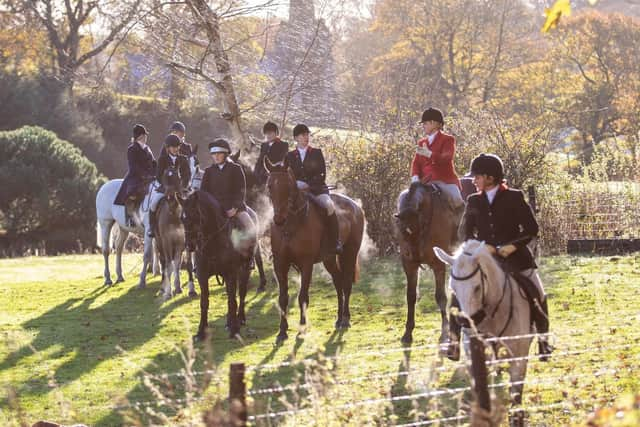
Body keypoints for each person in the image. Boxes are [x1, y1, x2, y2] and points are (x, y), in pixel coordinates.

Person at [446, 153, 553, 362]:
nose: (474, 180)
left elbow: (532, 229)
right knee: (458, 291)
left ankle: (543, 341)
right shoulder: (474, 200)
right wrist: (484, 247)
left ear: (490, 177)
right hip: (485, 258)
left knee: (537, 291)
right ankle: (453, 343)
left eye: (477, 176)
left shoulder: (514, 196)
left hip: (516, 257)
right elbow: (464, 234)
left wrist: (511, 246)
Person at [285, 124, 342, 254]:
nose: (306, 137)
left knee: (329, 206)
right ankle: (281, 242)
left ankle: (335, 241)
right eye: (303, 135)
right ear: (296, 138)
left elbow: (322, 174)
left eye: (307, 135)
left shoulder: (316, 152)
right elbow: (287, 175)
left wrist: (308, 185)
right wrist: (296, 183)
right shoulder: (289, 156)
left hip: (317, 190)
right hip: (296, 192)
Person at [200, 138, 254, 253]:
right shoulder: (208, 171)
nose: (216, 156)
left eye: (219, 153)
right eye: (213, 154)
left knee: (249, 226)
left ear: (225, 154)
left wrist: (235, 208)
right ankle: (198, 259)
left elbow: (241, 191)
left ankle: (250, 256)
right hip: (213, 210)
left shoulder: (235, 169)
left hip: (234, 208)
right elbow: (203, 193)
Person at [410, 108, 465, 216]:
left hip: (445, 181)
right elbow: (416, 163)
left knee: (457, 198)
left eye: (425, 123)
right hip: (425, 183)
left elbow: (447, 158)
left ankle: (461, 230)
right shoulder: (422, 142)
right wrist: (415, 178)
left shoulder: (448, 139)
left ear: (434, 123)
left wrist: (429, 154)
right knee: (404, 197)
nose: (423, 126)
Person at [147, 134, 192, 237]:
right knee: (153, 203)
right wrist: (166, 187)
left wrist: (183, 186)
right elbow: (158, 176)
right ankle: (152, 227)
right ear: (168, 148)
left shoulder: (183, 159)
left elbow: (187, 175)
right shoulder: (162, 160)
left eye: (177, 146)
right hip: (166, 189)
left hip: (181, 189)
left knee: (191, 204)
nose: (176, 149)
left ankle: (190, 228)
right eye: (173, 147)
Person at [114, 124, 156, 227]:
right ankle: (131, 217)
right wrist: (145, 175)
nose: (146, 137)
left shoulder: (147, 148)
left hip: (149, 176)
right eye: (145, 135)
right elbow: (134, 167)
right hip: (136, 177)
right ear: (141, 136)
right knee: (133, 194)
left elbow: (153, 163)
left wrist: (157, 172)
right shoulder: (132, 149)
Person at [254, 121, 289, 186]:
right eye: (266, 133)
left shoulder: (283, 145)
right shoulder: (264, 145)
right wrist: (256, 173)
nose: (268, 135)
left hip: (275, 175)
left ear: (276, 133)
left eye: (270, 133)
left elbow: (281, 160)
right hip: (261, 176)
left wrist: (271, 171)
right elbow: (259, 161)